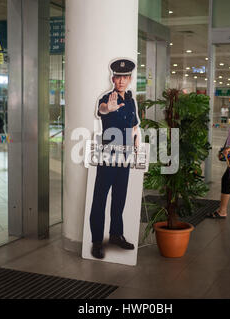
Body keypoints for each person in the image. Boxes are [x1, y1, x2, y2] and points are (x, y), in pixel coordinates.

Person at [90, 58, 140, 259]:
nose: (121, 81)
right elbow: (101, 109)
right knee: (100, 198)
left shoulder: (131, 100)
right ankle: (96, 241)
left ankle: (116, 234)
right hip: (108, 154)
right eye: (118, 77)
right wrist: (108, 109)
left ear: (129, 79)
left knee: (120, 196)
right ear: (113, 78)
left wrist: (136, 138)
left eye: (125, 77)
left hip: (126, 154)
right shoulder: (106, 98)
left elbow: (134, 124)